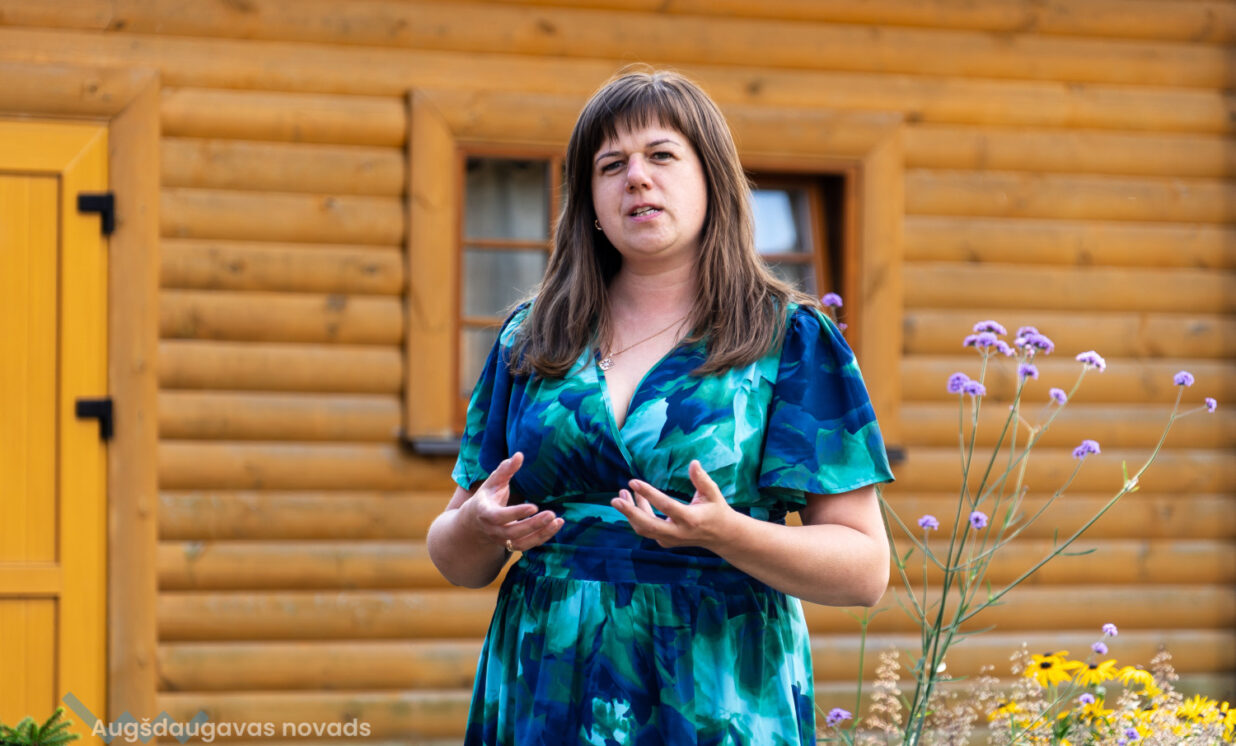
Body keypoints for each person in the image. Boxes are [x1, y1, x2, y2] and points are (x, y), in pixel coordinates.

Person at [427, 69, 894, 745]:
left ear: (713, 180)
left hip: (715, 697)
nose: (637, 178)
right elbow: (456, 560)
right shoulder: (531, 338)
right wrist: (477, 525)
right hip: (545, 690)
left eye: (662, 155)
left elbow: (864, 572)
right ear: (589, 199)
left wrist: (727, 533)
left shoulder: (788, 339)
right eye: (611, 165)